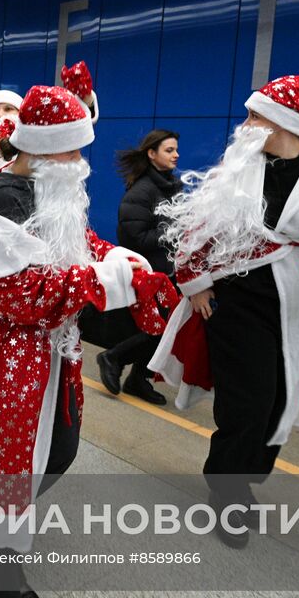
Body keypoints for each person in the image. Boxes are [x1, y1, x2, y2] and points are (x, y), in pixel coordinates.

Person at [0, 83, 172, 598]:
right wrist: (104, 281)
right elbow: (20, 291)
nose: (81, 162)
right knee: (23, 455)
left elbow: (72, 243)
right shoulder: (2, 196)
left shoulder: (48, 186)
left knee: (54, 449)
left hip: (54, 347)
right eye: (73, 149)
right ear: (40, 146)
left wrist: (117, 257)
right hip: (13, 351)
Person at [149, 75, 299, 548]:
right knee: (250, 400)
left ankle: (244, 478)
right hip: (236, 300)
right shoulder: (238, 167)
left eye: (254, 116)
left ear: (283, 123)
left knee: (282, 400)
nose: (245, 125)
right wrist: (195, 280)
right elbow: (196, 226)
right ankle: (227, 489)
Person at [96, 129, 180, 404]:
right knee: (159, 329)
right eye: (169, 150)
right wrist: (172, 231)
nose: (176, 155)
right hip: (147, 274)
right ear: (151, 154)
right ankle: (114, 358)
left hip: (167, 272)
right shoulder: (142, 191)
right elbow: (133, 237)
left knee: (167, 330)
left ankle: (137, 378)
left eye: (176, 150)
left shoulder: (171, 187)